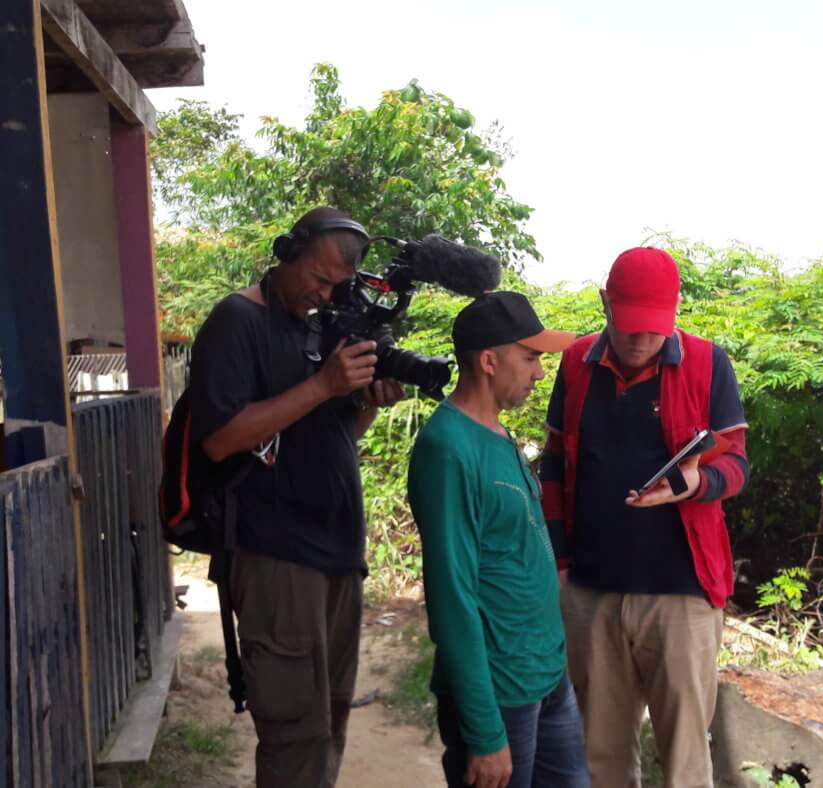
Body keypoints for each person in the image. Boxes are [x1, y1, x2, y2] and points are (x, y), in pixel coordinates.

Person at [187, 206, 405, 788]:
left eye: (338, 285)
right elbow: (220, 438)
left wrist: (363, 400)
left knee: (329, 720)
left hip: (336, 553)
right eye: (317, 278)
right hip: (275, 554)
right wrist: (322, 385)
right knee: (293, 731)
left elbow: (331, 434)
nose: (324, 294)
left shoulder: (320, 325)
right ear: (287, 252)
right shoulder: (237, 320)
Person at [539, 247, 749, 788]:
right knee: (598, 752)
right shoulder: (576, 363)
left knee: (684, 758)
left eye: (655, 329)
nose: (641, 340)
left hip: (681, 593)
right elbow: (556, 468)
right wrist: (562, 566)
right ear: (605, 303)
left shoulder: (708, 363)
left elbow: (737, 464)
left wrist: (697, 482)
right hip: (592, 590)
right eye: (631, 326)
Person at [408, 292, 591, 788]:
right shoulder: (447, 449)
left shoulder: (497, 435)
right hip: (501, 690)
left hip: (546, 676)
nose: (538, 372)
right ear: (489, 361)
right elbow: (452, 597)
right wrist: (485, 733)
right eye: (529, 357)